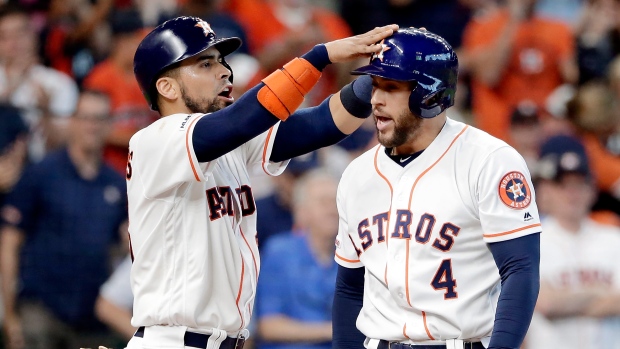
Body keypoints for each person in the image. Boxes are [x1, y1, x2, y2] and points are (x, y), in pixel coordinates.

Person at [125, 16, 398, 349]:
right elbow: (247, 117)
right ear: (166, 87)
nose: (224, 71)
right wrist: (318, 57)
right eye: (206, 64)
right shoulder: (154, 142)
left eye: (221, 61)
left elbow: (323, 124)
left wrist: (383, 72)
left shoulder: (230, 146)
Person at [332, 28, 541, 349]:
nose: (375, 99)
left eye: (391, 87)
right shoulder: (356, 174)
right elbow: (349, 287)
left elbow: (520, 270)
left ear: (429, 94)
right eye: (375, 86)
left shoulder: (489, 160)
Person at [0, 90, 128, 349]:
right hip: (41, 310)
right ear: (72, 121)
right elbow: (10, 243)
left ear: (109, 125)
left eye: (100, 119)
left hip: (92, 317)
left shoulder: (117, 182)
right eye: (86, 118)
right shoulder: (41, 174)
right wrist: (10, 315)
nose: (92, 126)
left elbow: (128, 245)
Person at [526, 134, 620, 348]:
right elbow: (545, 304)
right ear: (547, 190)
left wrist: (566, 300)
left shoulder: (613, 239)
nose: (572, 194)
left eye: (579, 184)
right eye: (563, 185)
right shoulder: (530, 242)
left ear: (592, 189)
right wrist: (599, 294)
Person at [461, 0, 578, 141]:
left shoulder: (559, 29)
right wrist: (513, 22)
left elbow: (571, 80)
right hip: (497, 135)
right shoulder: (483, 27)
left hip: (543, 137)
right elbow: (489, 76)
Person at [256, 169, 340, 349]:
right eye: (323, 202)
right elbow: (268, 326)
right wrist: (331, 331)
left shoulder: (350, 256)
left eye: (335, 202)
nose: (332, 209)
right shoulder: (279, 251)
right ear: (301, 211)